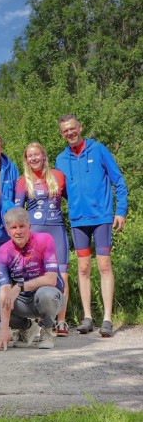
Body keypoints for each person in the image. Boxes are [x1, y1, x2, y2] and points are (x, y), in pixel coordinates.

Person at [55, 114, 127, 337]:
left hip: (102, 218)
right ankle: (87, 317)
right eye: (65, 130)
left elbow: (118, 181)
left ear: (80, 127)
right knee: (83, 268)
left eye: (72, 128)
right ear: (62, 134)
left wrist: (120, 211)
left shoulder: (99, 150)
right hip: (78, 221)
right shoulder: (61, 159)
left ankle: (107, 318)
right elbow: (61, 191)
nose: (70, 133)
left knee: (104, 265)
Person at [0, 208, 66, 351]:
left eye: (22, 226)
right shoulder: (2, 252)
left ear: (29, 227)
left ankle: (47, 330)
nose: (18, 231)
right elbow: (4, 290)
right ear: (8, 231)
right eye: (13, 228)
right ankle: (26, 327)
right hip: (22, 301)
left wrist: (20, 286)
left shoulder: (45, 239)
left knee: (46, 294)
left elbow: (51, 279)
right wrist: (4, 329)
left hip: (50, 297)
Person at [15, 142, 70, 336]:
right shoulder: (23, 181)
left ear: (44, 155)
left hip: (56, 229)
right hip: (35, 232)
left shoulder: (58, 175)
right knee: (34, 274)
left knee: (62, 274)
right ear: (26, 159)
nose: (34, 158)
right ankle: (38, 322)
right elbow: (18, 211)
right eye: (30, 156)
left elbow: (74, 200)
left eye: (36, 154)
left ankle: (61, 321)